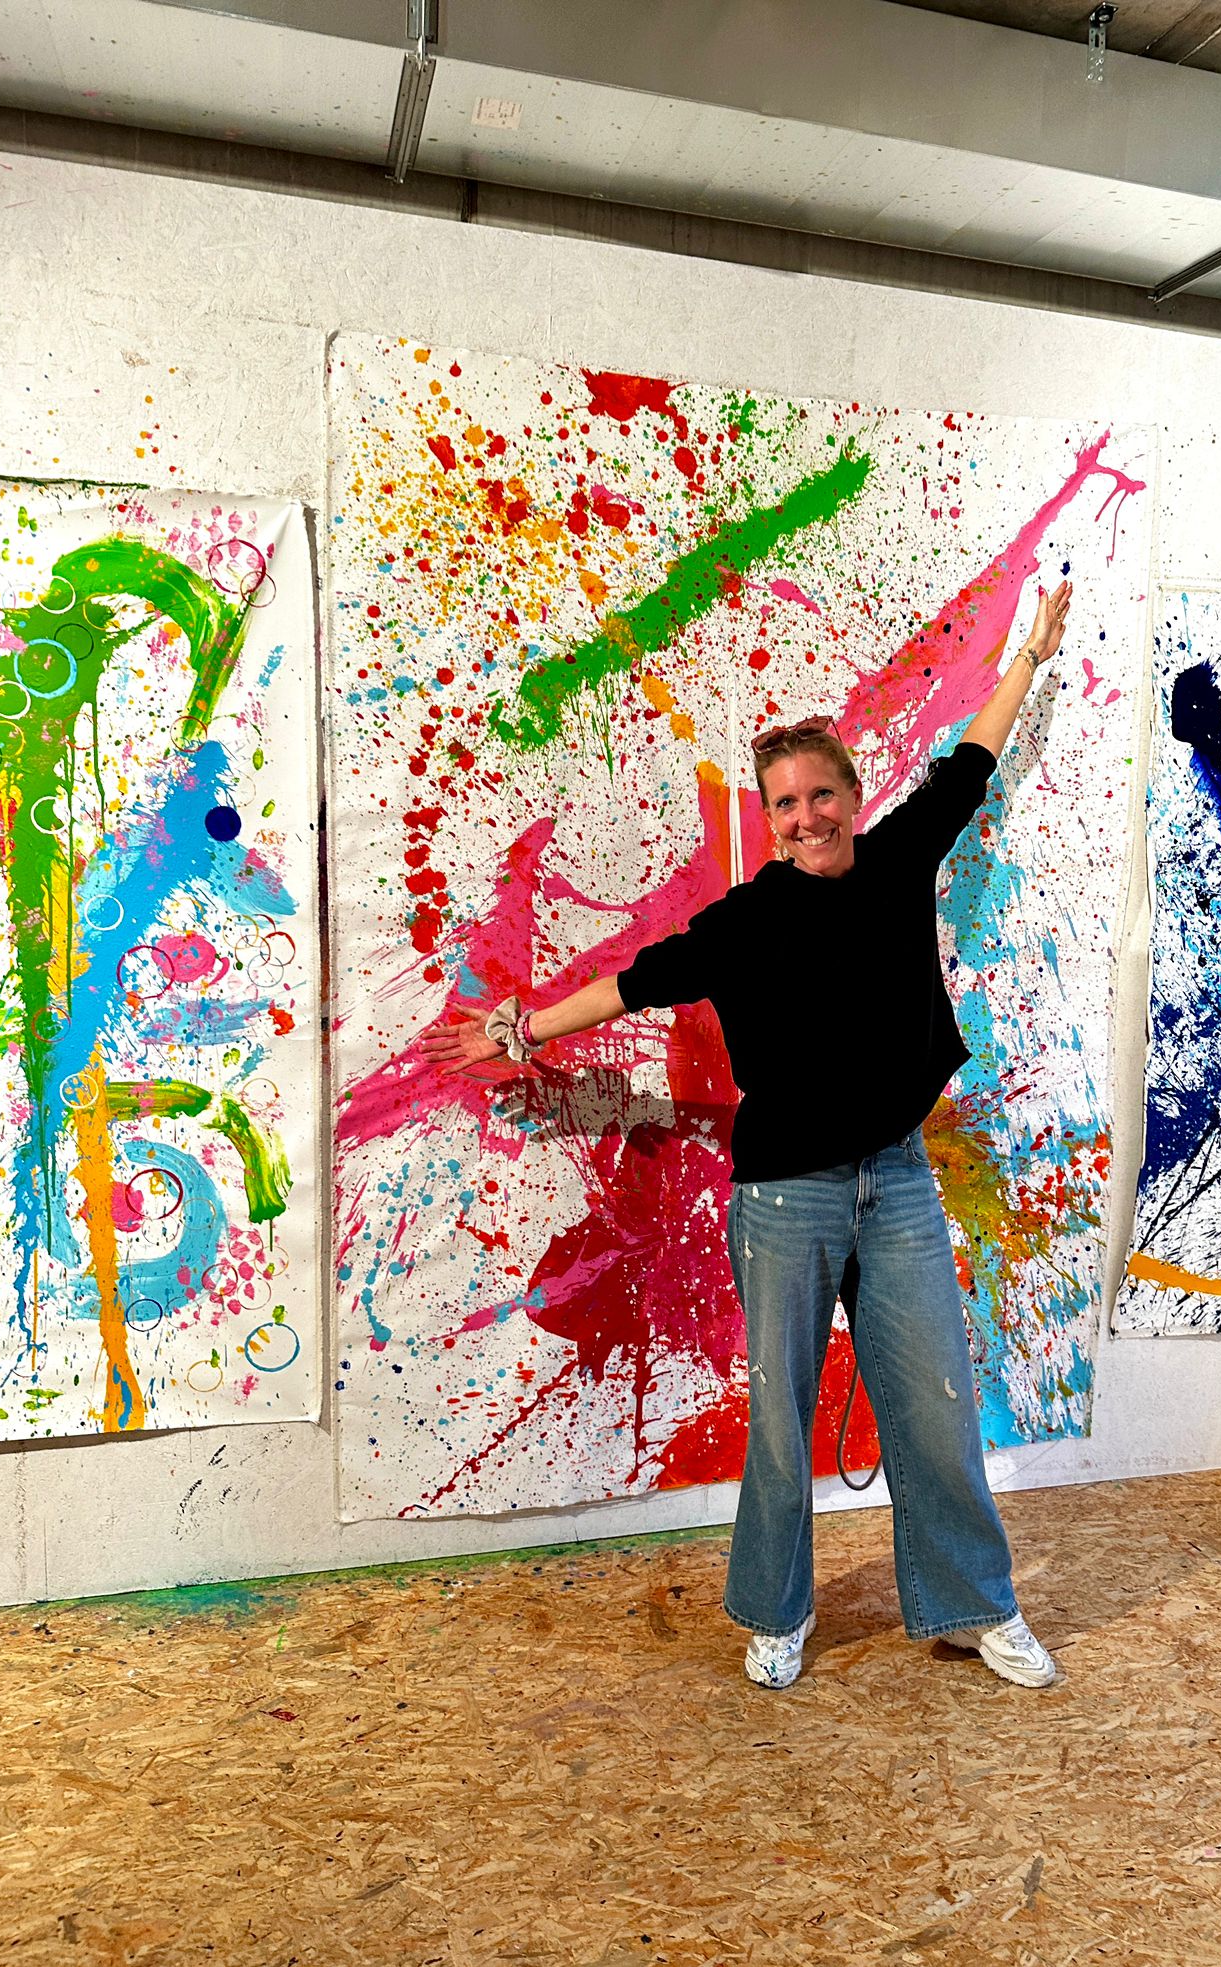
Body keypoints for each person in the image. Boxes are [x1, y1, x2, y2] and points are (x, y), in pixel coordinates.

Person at [426, 578, 1075, 1690]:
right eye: (784, 803)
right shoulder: (745, 921)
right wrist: (519, 1027)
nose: (806, 816)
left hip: (898, 1182)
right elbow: (634, 982)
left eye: (821, 794)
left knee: (937, 1405)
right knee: (779, 1419)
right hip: (784, 1196)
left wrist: (1029, 657)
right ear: (768, 819)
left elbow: (969, 762)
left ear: (853, 796)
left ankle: (974, 1605)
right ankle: (778, 1613)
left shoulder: (899, 858)